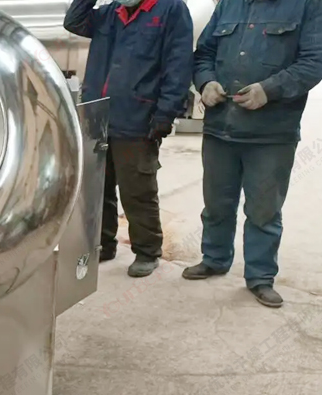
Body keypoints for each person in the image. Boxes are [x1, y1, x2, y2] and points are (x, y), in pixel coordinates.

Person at [183, 0, 322, 308]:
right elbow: (203, 53)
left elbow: (314, 62)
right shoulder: (229, 5)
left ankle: (260, 276)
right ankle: (214, 259)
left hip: (272, 134)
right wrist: (206, 82)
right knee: (217, 203)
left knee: (263, 210)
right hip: (221, 127)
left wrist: (269, 89)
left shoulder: (307, 6)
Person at [65, 0, 194, 277]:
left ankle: (147, 251)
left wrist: (166, 113)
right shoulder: (109, 13)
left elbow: (178, 64)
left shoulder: (171, 9)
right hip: (97, 116)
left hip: (137, 117)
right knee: (97, 188)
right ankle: (102, 245)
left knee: (136, 189)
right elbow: (73, 21)